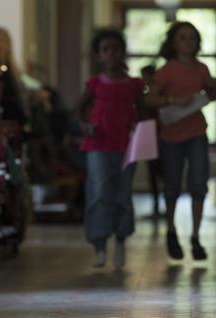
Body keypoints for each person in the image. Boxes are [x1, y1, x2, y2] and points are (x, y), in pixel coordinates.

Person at [146, 22, 216, 260]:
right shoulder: (167, 70)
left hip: (197, 132)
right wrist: (172, 100)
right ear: (173, 42)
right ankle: (171, 231)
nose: (187, 42)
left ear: (198, 42)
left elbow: (211, 95)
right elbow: (150, 100)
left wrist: (214, 89)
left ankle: (196, 237)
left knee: (198, 184)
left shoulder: (202, 69)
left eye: (192, 38)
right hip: (171, 136)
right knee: (172, 185)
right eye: (182, 38)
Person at [75, 29, 145, 268]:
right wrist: (84, 125)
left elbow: (144, 113)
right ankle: (100, 245)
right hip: (98, 144)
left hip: (127, 146)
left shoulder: (134, 85)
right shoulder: (94, 84)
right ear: (98, 55)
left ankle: (121, 238)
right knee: (99, 193)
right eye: (106, 50)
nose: (112, 54)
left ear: (123, 52)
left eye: (116, 49)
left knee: (123, 194)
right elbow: (79, 108)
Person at [140, 65, 164, 221]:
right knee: (153, 175)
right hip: (150, 139)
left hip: (162, 138)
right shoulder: (144, 96)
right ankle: (156, 206)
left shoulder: (161, 96)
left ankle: (165, 208)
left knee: (163, 175)